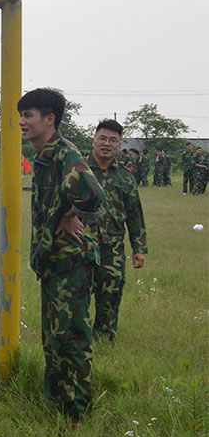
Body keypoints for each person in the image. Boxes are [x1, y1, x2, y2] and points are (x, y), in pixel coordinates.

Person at [20, 88, 104, 423]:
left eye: (29, 115)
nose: (23, 122)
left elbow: (94, 197)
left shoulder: (65, 154)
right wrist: (62, 213)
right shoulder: (42, 157)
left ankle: (76, 410)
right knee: (53, 337)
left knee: (72, 339)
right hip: (53, 261)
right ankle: (54, 401)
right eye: (21, 115)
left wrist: (67, 213)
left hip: (72, 263)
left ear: (49, 119)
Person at [85, 120, 147, 342]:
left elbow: (134, 214)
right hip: (80, 246)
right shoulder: (78, 170)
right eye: (102, 138)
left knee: (110, 296)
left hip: (112, 248)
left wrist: (139, 249)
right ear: (94, 140)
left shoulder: (125, 177)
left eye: (112, 140)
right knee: (76, 297)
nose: (106, 144)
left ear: (119, 145)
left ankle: (103, 341)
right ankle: (78, 342)